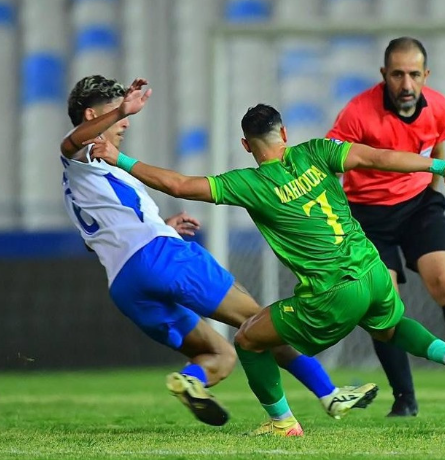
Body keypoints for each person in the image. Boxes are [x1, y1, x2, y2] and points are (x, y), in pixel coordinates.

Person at [87, 102, 445, 437]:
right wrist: (440, 166)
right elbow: (378, 158)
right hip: (373, 271)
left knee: (248, 338)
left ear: (246, 146)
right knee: (391, 327)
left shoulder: (249, 183)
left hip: (332, 292)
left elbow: (179, 185)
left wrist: (119, 158)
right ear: (285, 134)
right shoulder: (318, 151)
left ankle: (283, 422)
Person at [60, 76, 377, 428]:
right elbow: (71, 142)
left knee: (220, 355)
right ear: (91, 115)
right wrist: (123, 109)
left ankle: (191, 379)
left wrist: (161, 224)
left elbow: (97, 239)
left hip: (125, 284)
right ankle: (327, 395)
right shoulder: (84, 153)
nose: (125, 123)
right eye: (116, 114)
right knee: (260, 325)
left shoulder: (77, 182)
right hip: (164, 258)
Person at [326, 36, 445, 417]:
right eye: (398, 74)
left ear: (426, 75)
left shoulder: (440, 106)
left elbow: (436, 149)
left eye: (414, 74)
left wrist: (438, 185)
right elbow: (329, 163)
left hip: (418, 206)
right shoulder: (356, 113)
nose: (406, 83)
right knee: (385, 303)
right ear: (384, 74)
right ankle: (405, 398)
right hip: (366, 215)